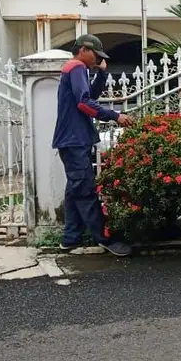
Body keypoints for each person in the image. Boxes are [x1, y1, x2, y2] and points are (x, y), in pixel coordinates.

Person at [52, 34, 134, 256]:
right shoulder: (76, 66)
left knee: (75, 189)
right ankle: (104, 238)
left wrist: (101, 74)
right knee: (85, 189)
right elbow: (83, 103)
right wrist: (115, 116)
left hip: (74, 139)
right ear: (84, 50)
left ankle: (70, 238)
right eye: (96, 55)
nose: (97, 59)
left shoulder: (77, 70)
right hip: (74, 139)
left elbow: (91, 96)